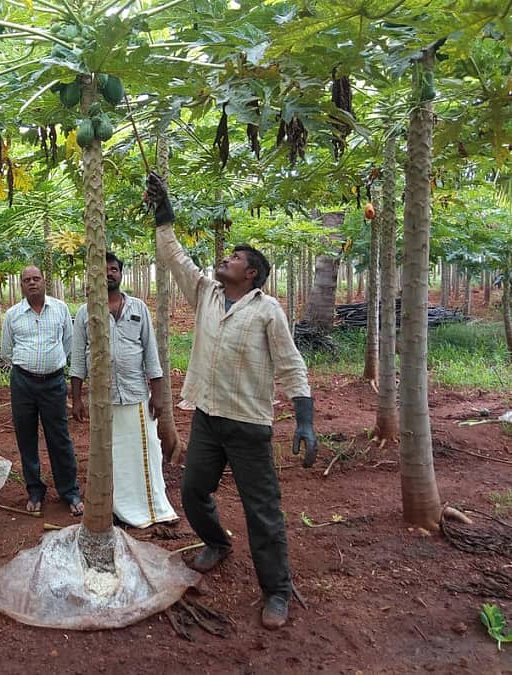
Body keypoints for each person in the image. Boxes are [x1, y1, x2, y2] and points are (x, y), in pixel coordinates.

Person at [145, 172, 318, 631]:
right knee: (192, 490)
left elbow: (291, 366)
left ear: (252, 273)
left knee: (262, 510)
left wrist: (304, 419)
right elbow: (174, 257)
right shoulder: (206, 293)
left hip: (248, 425)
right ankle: (217, 543)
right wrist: (164, 214)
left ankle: (277, 590)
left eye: (236, 258)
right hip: (207, 417)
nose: (226, 259)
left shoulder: (266, 310)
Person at [70, 252, 178, 528]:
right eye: (103, 269)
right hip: (102, 400)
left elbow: (151, 353)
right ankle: (118, 508)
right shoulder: (84, 313)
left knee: (147, 450)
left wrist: (158, 394)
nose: (109, 273)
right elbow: (78, 359)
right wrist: (77, 398)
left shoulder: (138, 308)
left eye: (114, 269)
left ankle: (155, 508)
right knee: (112, 455)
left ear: (120, 274)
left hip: (135, 395)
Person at [0, 265, 83, 516]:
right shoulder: (12, 315)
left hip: (53, 383)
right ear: (21, 285)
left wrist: (50, 364)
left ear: (44, 281)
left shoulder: (60, 309)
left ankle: (69, 491)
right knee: (26, 437)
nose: (32, 283)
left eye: (36, 278)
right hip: (22, 383)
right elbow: (7, 350)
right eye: (27, 280)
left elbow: (68, 344)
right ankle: (35, 490)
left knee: (59, 437)